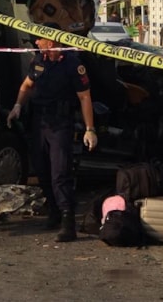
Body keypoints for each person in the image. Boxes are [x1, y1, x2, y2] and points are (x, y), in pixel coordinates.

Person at [7, 22, 98, 242]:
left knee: (60, 174)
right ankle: (54, 212)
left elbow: (84, 97)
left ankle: (68, 222)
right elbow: (26, 85)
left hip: (60, 124)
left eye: (40, 39)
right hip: (39, 122)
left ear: (51, 40)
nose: (37, 43)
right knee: (42, 170)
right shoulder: (39, 60)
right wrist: (18, 105)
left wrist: (90, 129)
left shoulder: (72, 64)